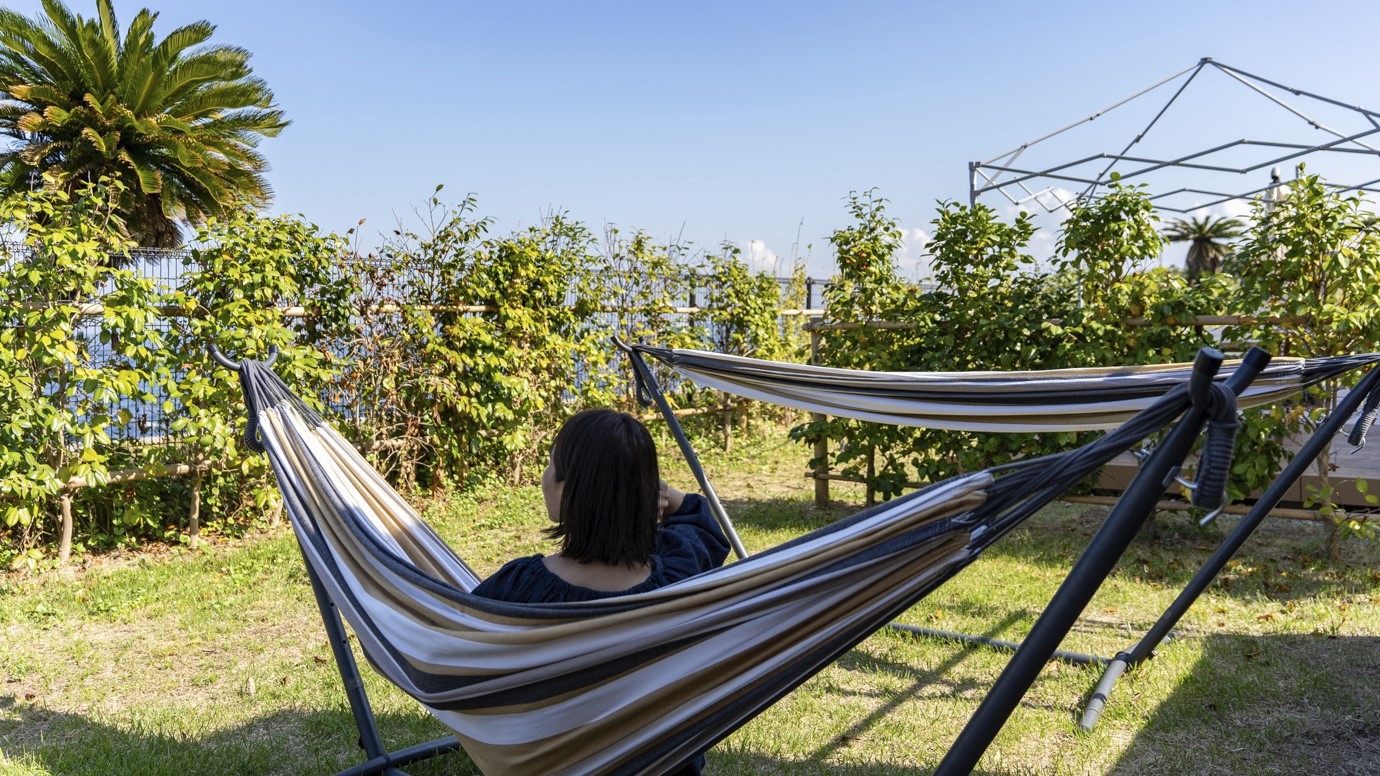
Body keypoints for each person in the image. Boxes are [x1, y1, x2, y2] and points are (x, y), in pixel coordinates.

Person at [472, 408, 731, 775]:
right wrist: (659, 494)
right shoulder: (680, 573)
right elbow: (698, 521)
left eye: (551, 466)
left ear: (570, 490)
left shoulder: (520, 588)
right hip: (664, 765)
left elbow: (456, 640)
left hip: (557, 764)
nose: (545, 477)